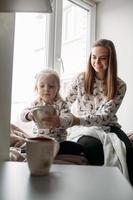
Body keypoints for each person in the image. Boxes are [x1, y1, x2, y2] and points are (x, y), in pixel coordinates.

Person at [44, 39, 133, 185]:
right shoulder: (80, 79)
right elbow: (65, 102)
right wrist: (52, 113)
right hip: (82, 128)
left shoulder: (120, 85)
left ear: (111, 60)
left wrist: (76, 119)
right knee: (92, 147)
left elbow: (105, 116)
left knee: (127, 150)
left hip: (110, 126)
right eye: (94, 57)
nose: (97, 62)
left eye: (103, 58)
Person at [20, 69, 74, 143]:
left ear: (58, 88)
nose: (46, 89)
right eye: (42, 86)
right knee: (27, 146)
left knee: (73, 147)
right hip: (39, 140)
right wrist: (28, 115)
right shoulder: (35, 104)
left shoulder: (62, 104)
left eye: (51, 86)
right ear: (37, 88)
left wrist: (59, 120)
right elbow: (22, 115)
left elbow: (69, 119)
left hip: (58, 142)